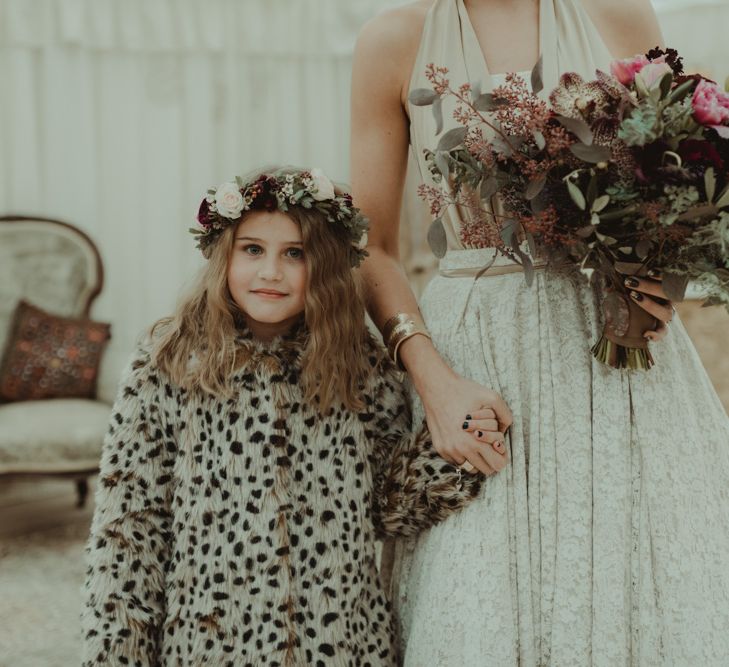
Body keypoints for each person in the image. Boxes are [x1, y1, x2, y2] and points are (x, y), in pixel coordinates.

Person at [351, 1, 729, 664]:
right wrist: (433, 382)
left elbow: (663, 177)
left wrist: (657, 280)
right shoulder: (393, 37)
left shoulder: (620, 13)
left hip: (620, 360)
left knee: (649, 600)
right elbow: (369, 247)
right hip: (476, 363)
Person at [80, 166, 488, 666]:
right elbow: (129, 530)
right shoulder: (167, 360)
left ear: (325, 265)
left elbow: (386, 506)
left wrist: (456, 453)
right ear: (222, 255)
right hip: (211, 646)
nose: (270, 271)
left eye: (294, 254)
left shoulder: (361, 363)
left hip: (340, 644)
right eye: (252, 249)